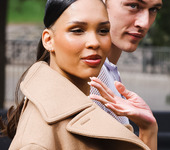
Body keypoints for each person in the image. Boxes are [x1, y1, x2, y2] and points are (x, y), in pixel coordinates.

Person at [0, 0, 154, 149]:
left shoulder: (87, 108)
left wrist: (148, 129)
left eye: (103, 30)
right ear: (48, 40)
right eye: (77, 30)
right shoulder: (37, 141)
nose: (94, 42)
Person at [90, 0, 163, 150]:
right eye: (133, 6)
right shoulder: (93, 76)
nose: (145, 23)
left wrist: (148, 128)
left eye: (153, 9)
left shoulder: (108, 71)